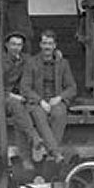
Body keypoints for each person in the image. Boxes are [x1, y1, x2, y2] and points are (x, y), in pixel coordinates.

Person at [0, 31, 45, 171]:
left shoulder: (25, 60)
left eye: (19, 45)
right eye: (13, 44)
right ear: (6, 45)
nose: (16, 48)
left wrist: (57, 55)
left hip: (19, 103)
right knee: (16, 105)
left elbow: (39, 61)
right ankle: (34, 137)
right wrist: (12, 96)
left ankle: (26, 159)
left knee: (20, 118)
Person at [21, 29, 77, 162]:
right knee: (39, 116)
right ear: (40, 45)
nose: (47, 47)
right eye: (45, 43)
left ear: (54, 45)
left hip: (55, 100)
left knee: (59, 114)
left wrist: (59, 98)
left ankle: (50, 153)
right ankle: (55, 153)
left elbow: (72, 88)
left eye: (50, 44)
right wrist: (40, 101)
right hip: (37, 101)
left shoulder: (63, 64)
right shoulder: (31, 63)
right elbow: (25, 87)